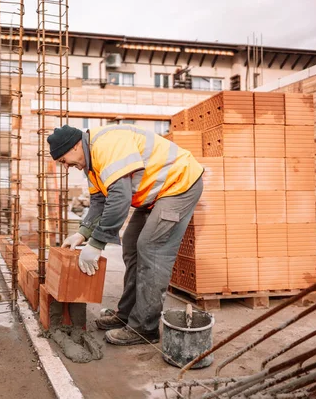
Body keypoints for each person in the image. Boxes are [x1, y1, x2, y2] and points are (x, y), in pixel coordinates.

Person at [47, 124, 204, 346]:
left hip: (179, 184)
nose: (66, 167)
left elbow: (119, 197)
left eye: (63, 161)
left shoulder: (106, 146)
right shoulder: (91, 165)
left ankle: (144, 328)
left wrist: (97, 243)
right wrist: (83, 234)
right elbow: (99, 202)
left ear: (74, 147)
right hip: (155, 194)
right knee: (131, 244)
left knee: (151, 248)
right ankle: (126, 315)